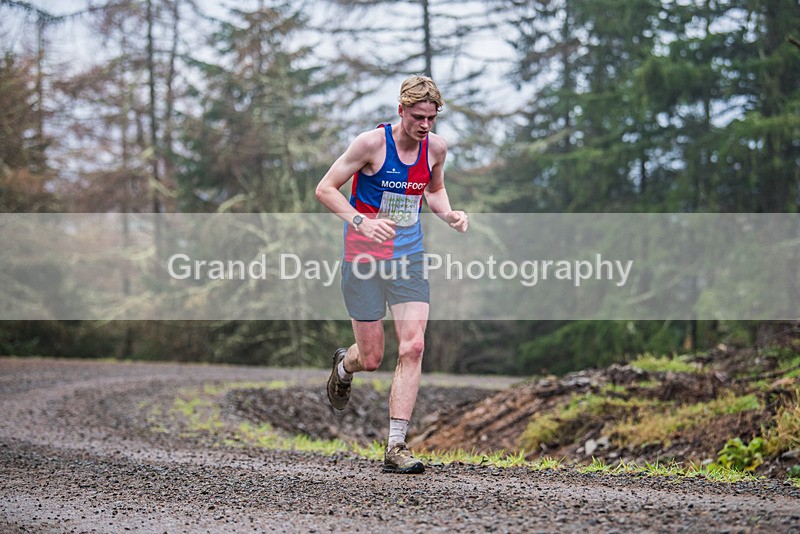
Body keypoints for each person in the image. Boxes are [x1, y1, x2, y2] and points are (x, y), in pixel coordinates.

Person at [315, 75, 468, 474]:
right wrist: (361, 222)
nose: (425, 125)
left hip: (408, 258)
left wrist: (448, 214)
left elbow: (433, 190)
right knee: (371, 358)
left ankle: (396, 446)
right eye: (418, 117)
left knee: (413, 346)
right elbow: (325, 189)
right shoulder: (370, 144)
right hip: (363, 259)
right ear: (401, 110)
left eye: (432, 118)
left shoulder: (436, 148)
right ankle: (344, 366)